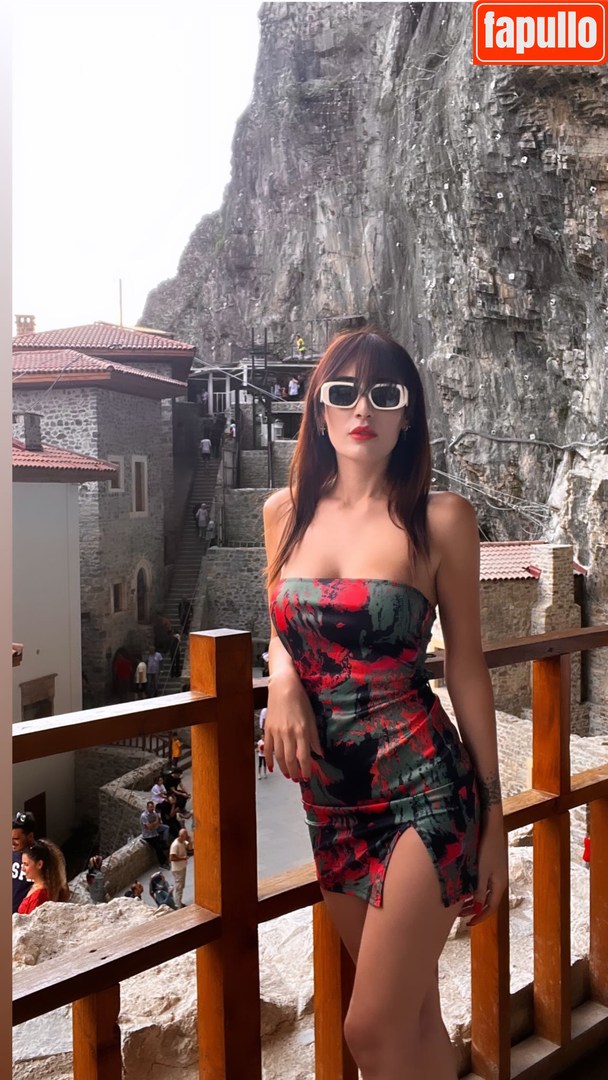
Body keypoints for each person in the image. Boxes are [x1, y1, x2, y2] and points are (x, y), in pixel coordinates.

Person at [262, 327, 508, 1079]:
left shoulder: (441, 519)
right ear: (319, 412)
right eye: (342, 392)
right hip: (331, 798)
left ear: (408, 415)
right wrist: (282, 681)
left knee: (369, 1031)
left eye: (384, 393)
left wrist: (494, 817)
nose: (361, 408)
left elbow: (466, 667)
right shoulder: (283, 514)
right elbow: (281, 625)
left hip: (424, 786)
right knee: (414, 1019)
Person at [17, 838, 69, 914]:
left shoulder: (40, 895)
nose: (22, 869)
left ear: (39, 864)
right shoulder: (37, 887)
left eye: (26, 864)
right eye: (23, 864)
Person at [12, 810, 36, 913]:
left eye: (16, 839)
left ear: (30, 836)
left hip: (27, 916)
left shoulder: (41, 857)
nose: (12, 843)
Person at [140, 800, 170, 867]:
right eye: (150, 807)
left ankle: (165, 860)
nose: (152, 808)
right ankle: (162, 863)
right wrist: (155, 823)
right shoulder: (144, 816)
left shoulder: (154, 813)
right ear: (147, 807)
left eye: (152, 807)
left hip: (154, 833)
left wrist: (154, 823)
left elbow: (158, 822)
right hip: (148, 836)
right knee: (158, 847)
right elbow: (149, 827)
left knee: (162, 846)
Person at [169, 827, 191, 908]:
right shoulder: (175, 845)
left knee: (181, 886)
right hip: (177, 870)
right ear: (182, 836)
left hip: (182, 867)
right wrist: (183, 858)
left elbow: (189, 847)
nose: (187, 836)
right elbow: (171, 858)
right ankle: (178, 905)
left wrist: (189, 841)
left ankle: (179, 903)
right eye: (186, 835)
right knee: (179, 888)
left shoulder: (183, 841)